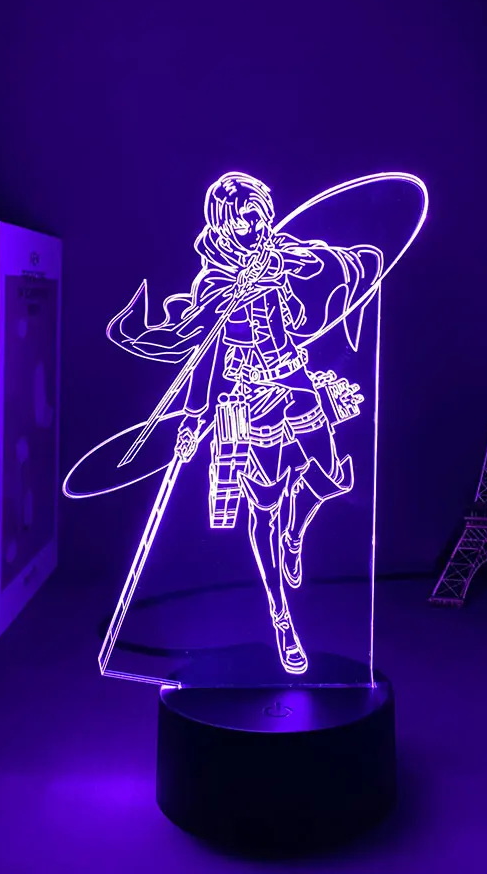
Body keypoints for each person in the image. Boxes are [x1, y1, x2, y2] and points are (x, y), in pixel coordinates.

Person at [108, 172, 380, 675]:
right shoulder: (213, 283)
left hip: (295, 379)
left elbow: (317, 262)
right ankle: (282, 620)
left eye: (260, 217)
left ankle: (297, 530)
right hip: (249, 400)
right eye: (244, 221)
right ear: (223, 224)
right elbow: (201, 355)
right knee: (265, 510)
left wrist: (292, 263)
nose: (256, 227)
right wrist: (193, 420)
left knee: (334, 478)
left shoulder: (276, 252)